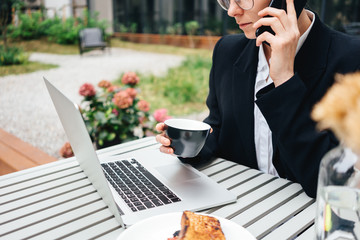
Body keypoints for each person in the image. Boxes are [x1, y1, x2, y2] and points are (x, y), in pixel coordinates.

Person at [155, 0, 360, 198]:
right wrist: (189, 145)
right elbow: (218, 127)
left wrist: (285, 80)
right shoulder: (227, 51)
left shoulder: (351, 60)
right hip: (240, 203)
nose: (232, 11)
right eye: (226, 0)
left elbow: (335, 184)